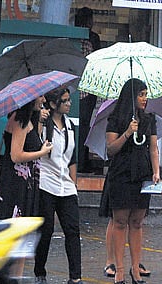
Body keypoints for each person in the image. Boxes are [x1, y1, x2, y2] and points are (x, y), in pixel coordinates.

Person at [0, 96, 53, 284]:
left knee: (21, 239)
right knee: (13, 236)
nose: (44, 100)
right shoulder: (19, 120)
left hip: (26, 185)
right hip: (15, 186)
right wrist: (42, 152)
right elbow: (16, 155)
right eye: (41, 96)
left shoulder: (29, 120)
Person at [33, 87, 91, 284]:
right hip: (46, 183)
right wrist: (39, 120)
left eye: (69, 100)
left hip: (65, 184)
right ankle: (40, 270)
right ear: (53, 104)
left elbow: (72, 157)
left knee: (73, 231)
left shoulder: (69, 125)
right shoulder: (42, 122)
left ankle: (75, 277)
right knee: (46, 230)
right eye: (65, 101)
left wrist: (73, 184)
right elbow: (35, 146)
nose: (69, 104)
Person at [104, 78, 159, 284]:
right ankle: (118, 269)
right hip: (121, 173)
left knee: (137, 222)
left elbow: (153, 148)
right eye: (141, 94)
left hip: (142, 173)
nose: (145, 99)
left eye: (146, 94)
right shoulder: (115, 119)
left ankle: (136, 268)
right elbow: (111, 149)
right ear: (131, 96)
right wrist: (127, 132)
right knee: (120, 222)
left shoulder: (149, 119)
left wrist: (156, 171)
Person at [75, 6, 101, 173]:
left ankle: (79, 160)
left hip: (74, 88)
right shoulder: (92, 39)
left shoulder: (72, 37)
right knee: (84, 127)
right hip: (87, 90)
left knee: (79, 127)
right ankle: (82, 161)